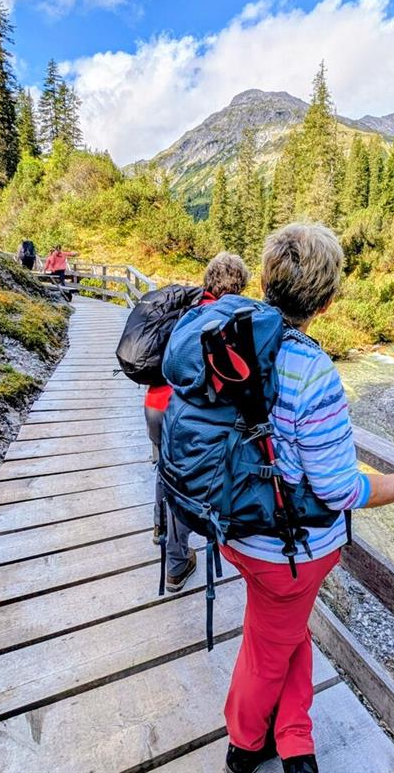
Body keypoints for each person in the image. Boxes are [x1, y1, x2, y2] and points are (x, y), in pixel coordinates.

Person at [222, 224, 394, 773]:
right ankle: (244, 746)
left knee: (283, 632)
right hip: (291, 550)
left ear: (268, 279)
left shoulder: (231, 338)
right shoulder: (313, 371)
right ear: (324, 303)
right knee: (267, 647)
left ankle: (295, 742)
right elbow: (339, 489)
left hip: (236, 525)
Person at [148, 252, 250, 591]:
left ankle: (161, 530)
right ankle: (177, 564)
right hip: (183, 416)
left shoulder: (187, 311)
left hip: (155, 406)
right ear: (239, 287)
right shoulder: (227, 321)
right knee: (186, 480)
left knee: (166, 470)